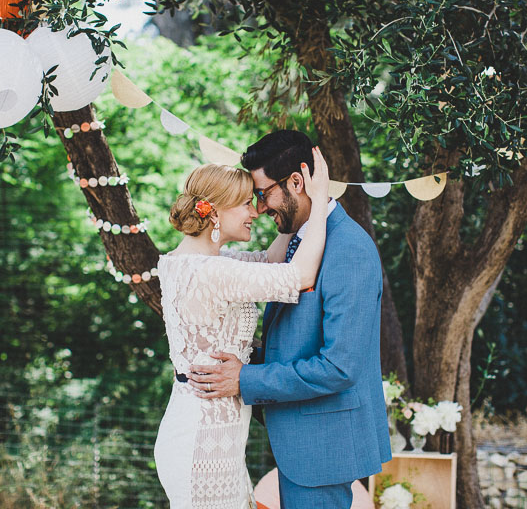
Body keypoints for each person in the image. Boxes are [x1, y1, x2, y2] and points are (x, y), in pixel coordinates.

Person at [186, 130, 391, 508]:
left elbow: (339, 366)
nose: (260, 208)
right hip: (302, 442)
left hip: (323, 449)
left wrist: (244, 378)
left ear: (297, 181)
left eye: (263, 194)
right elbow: (294, 340)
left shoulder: (349, 249)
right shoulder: (300, 240)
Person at [154, 148, 330, 509]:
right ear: (214, 211)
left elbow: (269, 260)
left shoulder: (194, 261)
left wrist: (299, 209)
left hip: (214, 432)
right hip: (202, 438)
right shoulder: (211, 271)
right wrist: (322, 200)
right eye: (246, 204)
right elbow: (300, 275)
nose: (256, 211)